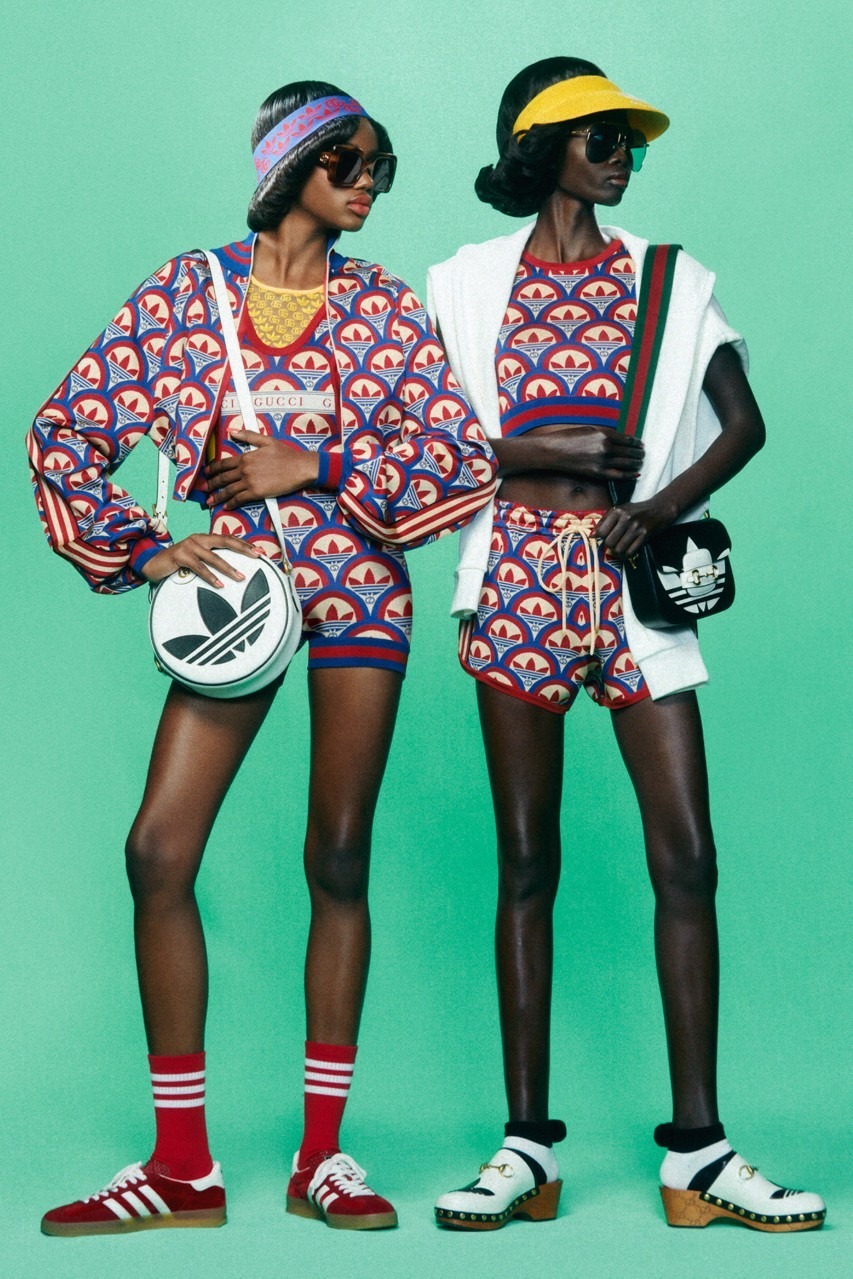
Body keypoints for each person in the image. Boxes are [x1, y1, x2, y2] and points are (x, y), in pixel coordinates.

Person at [27, 80, 496, 1237]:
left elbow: (458, 458)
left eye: (382, 166)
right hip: (235, 597)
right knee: (158, 851)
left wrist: (316, 464)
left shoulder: (384, 306)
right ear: (289, 162)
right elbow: (65, 431)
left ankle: (322, 1156)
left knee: (337, 855)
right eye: (349, 160)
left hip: (360, 593)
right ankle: (181, 1166)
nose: (369, 181)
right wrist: (144, 551)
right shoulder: (186, 294)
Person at [428, 57, 825, 1234]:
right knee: (524, 859)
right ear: (538, 148)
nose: (621, 157)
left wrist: (656, 508)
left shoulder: (668, 278)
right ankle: (526, 1147)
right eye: (598, 138)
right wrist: (536, 457)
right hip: (512, 576)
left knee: (686, 855)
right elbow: (429, 442)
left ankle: (698, 1150)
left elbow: (744, 424)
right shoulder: (464, 281)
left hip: (627, 584)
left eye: (629, 143)